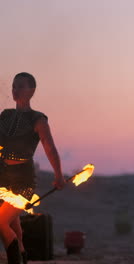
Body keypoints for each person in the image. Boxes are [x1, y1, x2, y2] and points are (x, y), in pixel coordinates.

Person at [0, 72, 65, 264]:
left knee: (1, 222)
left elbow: (50, 148)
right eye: (14, 86)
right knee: (11, 222)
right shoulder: (5, 116)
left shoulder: (38, 120)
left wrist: (59, 175)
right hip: (3, 177)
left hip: (23, 180)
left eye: (20, 86)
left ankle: (15, 260)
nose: (15, 90)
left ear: (31, 91)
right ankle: (22, 255)